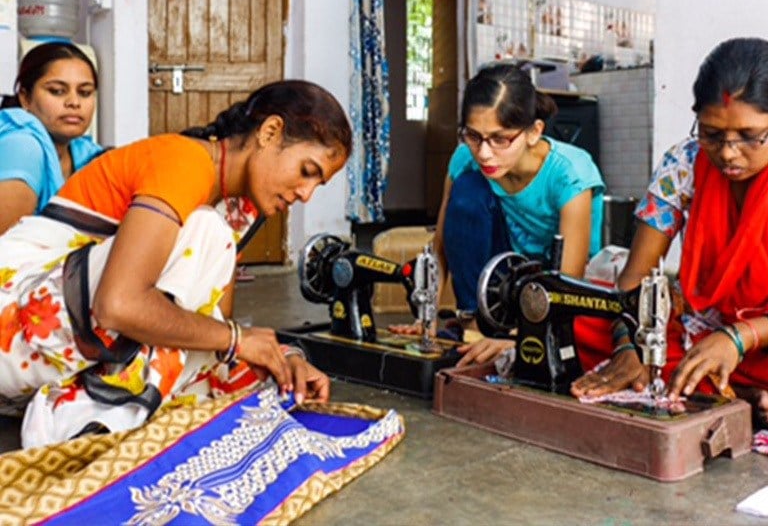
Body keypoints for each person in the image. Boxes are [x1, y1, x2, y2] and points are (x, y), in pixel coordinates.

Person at [0, 79, 350, 448]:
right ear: (270, 131)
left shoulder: (236, 210)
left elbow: (204, 329)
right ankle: (82, 419)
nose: (306, 194)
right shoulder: (186, 161)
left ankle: (95, 410)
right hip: (11, 313)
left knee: (233, 363)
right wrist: (238, 340)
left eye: (318, 185)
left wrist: (281, 356)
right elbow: (118, 305)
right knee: (207, 234)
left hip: (42, 357)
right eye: (307, 171)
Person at [571, 37, 768, 430]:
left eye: (749, 136)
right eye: (712, 134)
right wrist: (628, 348)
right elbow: (633, 282)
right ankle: (729, 392)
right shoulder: (686, 163)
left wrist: (741, 337)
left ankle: (713, 387)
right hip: (706, 335)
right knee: (587, 319)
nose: (728, 153)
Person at [393, 63, 605, 365]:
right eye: (473, 136)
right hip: (499, 280)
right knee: (467, 191)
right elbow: (442, 242)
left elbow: (567, 280)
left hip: (552, 283)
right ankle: (473, 325)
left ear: (534, 132)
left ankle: (500, 333)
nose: (484, 153)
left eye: (500, 139)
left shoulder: (570, 174)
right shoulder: (466, 157)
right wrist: (426, 319)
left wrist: (521, 338)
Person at [0, 42, 103, 234]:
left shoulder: (85, 153)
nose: (74, 102)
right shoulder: (22, 145)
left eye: (85, 93)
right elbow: (5, 249)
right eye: (57, 91)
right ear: (25, 98)